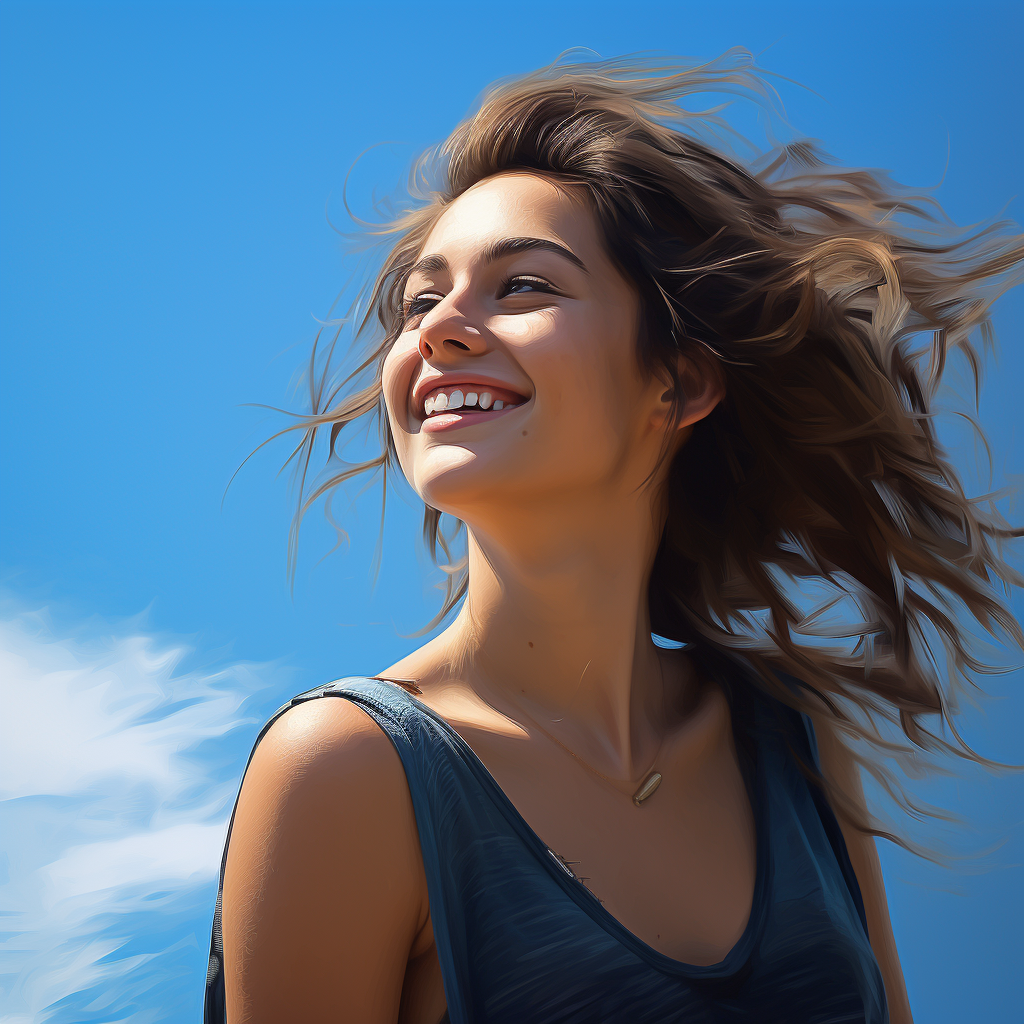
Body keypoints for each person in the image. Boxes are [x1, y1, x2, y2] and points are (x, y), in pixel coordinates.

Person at [203, 51, 1024, 1023]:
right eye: (421, 300)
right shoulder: (344, 772)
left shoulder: (791, 739)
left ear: (677, 382)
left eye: (522, 287)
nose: (441, 330)